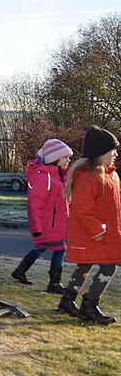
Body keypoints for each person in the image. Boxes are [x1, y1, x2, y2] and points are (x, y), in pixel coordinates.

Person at [57, 125, 120, 325]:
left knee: (84, 265)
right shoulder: (91, 176)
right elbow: (82, 209)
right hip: (96, 234)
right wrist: (98, 231)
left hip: (102, 233)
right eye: (112, 150)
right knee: (108, 267)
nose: (115, 153)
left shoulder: (109, 174)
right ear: (100, 153)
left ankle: (67, 299)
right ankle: (90, 305)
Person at [10, 139, 72, 293]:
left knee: (40, 248)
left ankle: (20, 271)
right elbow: (35, 205)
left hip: (54, 224)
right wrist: (36, 227)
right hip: (47, 225)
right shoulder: (43, 177)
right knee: (59, 249)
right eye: (66, 157)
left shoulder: (58, 175)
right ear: (55, 159)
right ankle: (54, 283)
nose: (69, 160)